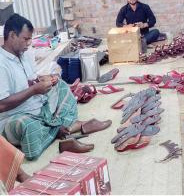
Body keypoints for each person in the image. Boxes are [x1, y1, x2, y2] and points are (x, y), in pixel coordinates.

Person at [0, 14, 107, 160]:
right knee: (28, 127)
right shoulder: (1, 63)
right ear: (12, 35)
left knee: (62, 87)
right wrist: (33, 90)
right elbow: (2, 105)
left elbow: (30, 81)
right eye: (26, 39)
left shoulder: (23, 55)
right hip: (14, 117)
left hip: (36, 107)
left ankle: (59, 129)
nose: (29, 43)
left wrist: (43, 80)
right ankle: (69, 128)